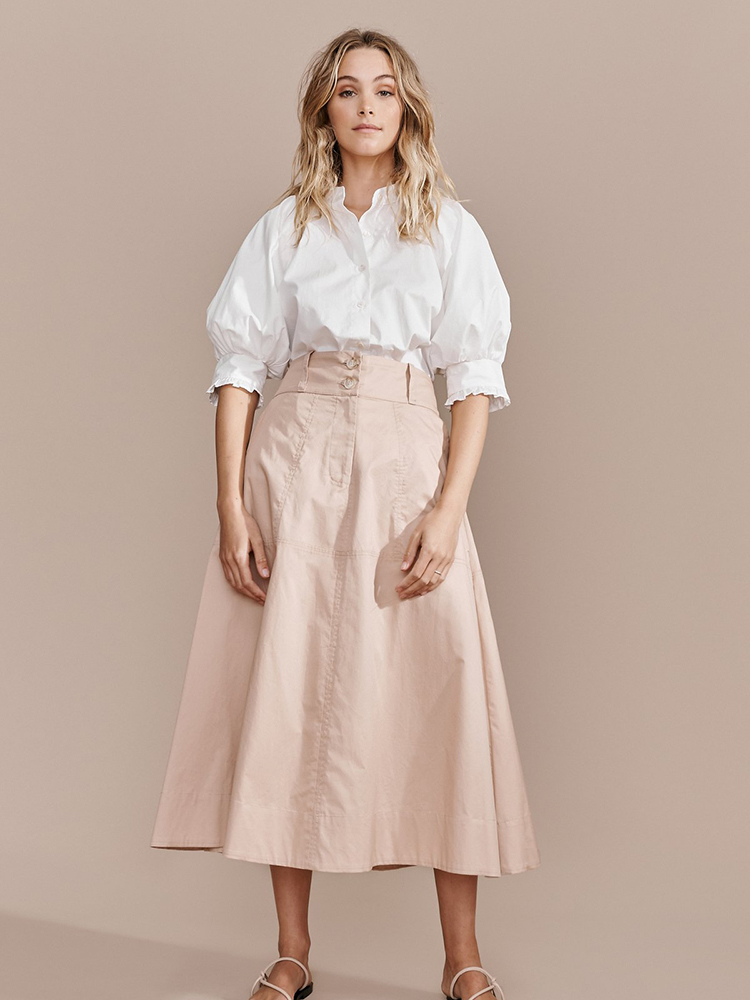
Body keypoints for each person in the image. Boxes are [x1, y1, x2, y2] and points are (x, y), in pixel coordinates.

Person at [151, 27, 541, 1000]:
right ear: (323, 111)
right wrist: (230, 503)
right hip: (297, 459)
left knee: (439, 693)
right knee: (290, 693)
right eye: (347, 90)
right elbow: (240, 369)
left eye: (385, 89)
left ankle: (462, 956)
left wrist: (449, 508)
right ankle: (292, 950)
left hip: (407, 464)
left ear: (407, 108)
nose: (367, 105)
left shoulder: (448, 227)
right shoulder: (285, 228)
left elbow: (474, 378)